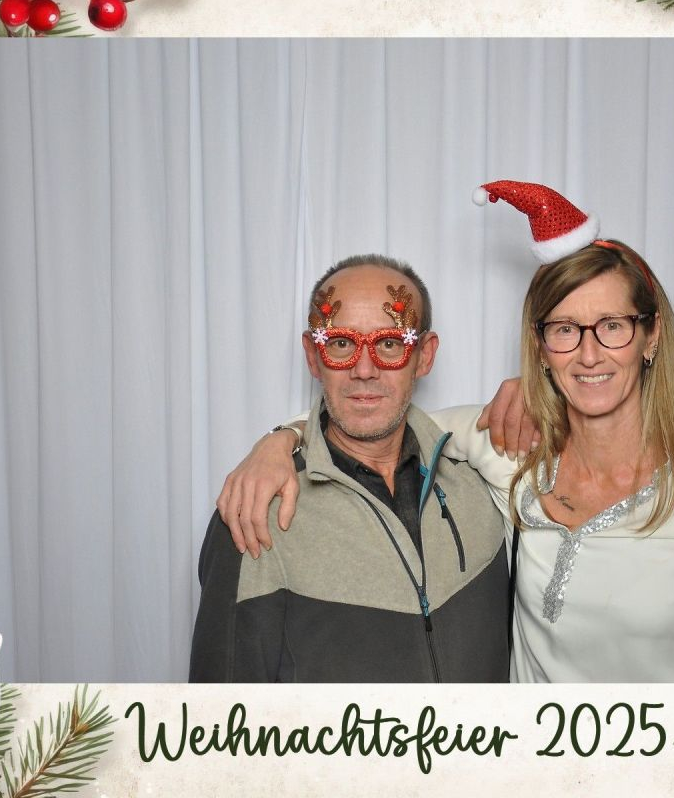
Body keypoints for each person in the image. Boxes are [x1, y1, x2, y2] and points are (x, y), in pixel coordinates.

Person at [220, 181, 674, 683]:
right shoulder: (511, 452)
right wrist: (279, 442)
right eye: (564, 329)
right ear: (541, 346)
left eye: (611, 325)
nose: (589, 354)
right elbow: (376, 412)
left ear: (650, 336)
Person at [189, 254, 511, 682]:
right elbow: (220, 711)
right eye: (341, 343)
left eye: (390, 343)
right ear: (313, 354)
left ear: (424, 355)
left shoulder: (479, 483)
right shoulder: (256, 512)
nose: (364, 370)